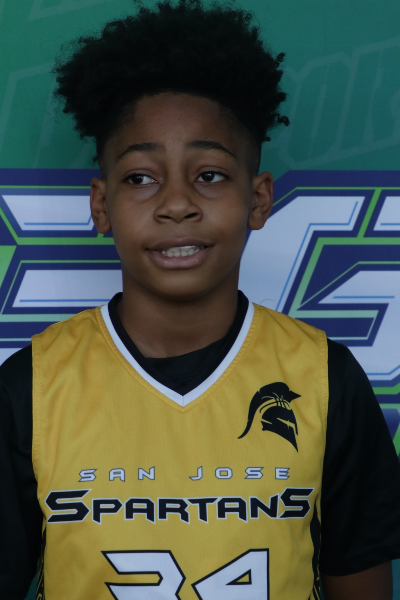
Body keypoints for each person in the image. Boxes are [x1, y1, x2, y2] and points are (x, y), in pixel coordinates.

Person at [1, 1, 400, 599]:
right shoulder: (31, 388)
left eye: (209, 174)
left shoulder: (324, 379)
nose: (176, 203)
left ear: (258, 200)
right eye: (141, 177)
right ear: (101, 205)